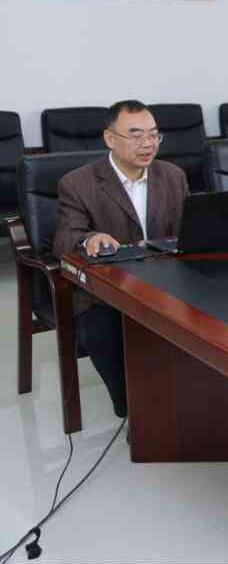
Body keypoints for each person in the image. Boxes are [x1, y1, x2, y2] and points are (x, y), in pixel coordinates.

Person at [53, 100, 190, 417]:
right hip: (108, 290)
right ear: (110, 138)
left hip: (169, 282)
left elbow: (188, 228)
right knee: (102, 328)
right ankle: (132, 410)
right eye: (136, 135)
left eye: (154, 135)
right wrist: (89, 238)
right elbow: (63, 239)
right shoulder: (78, 183)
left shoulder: (172, 175)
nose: (148, 144)